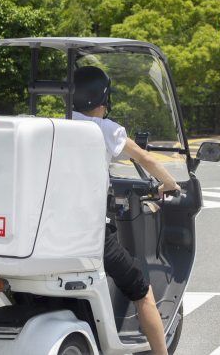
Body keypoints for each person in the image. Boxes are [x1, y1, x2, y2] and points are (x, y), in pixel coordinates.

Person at [72, 65, 181, 355]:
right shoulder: (106, 129)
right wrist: (169, 183)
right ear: (104, 99)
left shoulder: (58, 124)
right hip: (90, 234)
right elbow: (144, 158)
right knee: (141, 289)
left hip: (50, 232)